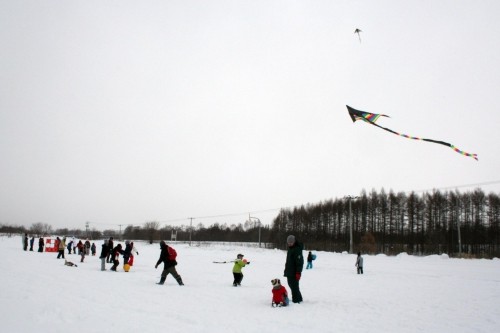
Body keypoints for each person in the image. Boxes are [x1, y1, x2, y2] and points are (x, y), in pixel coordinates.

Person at [284, 235, 304, 304]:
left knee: (294, 286)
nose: (289, 244)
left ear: (294, 242)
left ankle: (296, 300)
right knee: (291, 285)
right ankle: (299, 298)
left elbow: (299, 262)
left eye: (291, 242)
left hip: (294, 272)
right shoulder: (291, 248)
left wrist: (298, 272)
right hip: (290, 271)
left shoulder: (297, 250)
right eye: (288, 242)